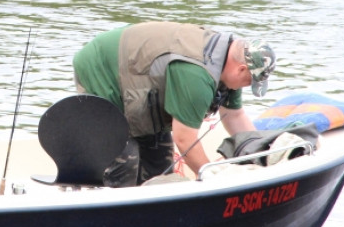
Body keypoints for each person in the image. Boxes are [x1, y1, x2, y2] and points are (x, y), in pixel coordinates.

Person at [72, 21, 276, 187]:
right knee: (126, 158)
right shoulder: (197, 75)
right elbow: (185, 139)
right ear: (241, 69)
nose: (248, 86)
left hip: (141, 82)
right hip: (101, 67)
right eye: (250, 81)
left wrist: (262, 155)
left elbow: (235, 116)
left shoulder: (228, 68)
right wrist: (212, 180)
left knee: (161, 165)